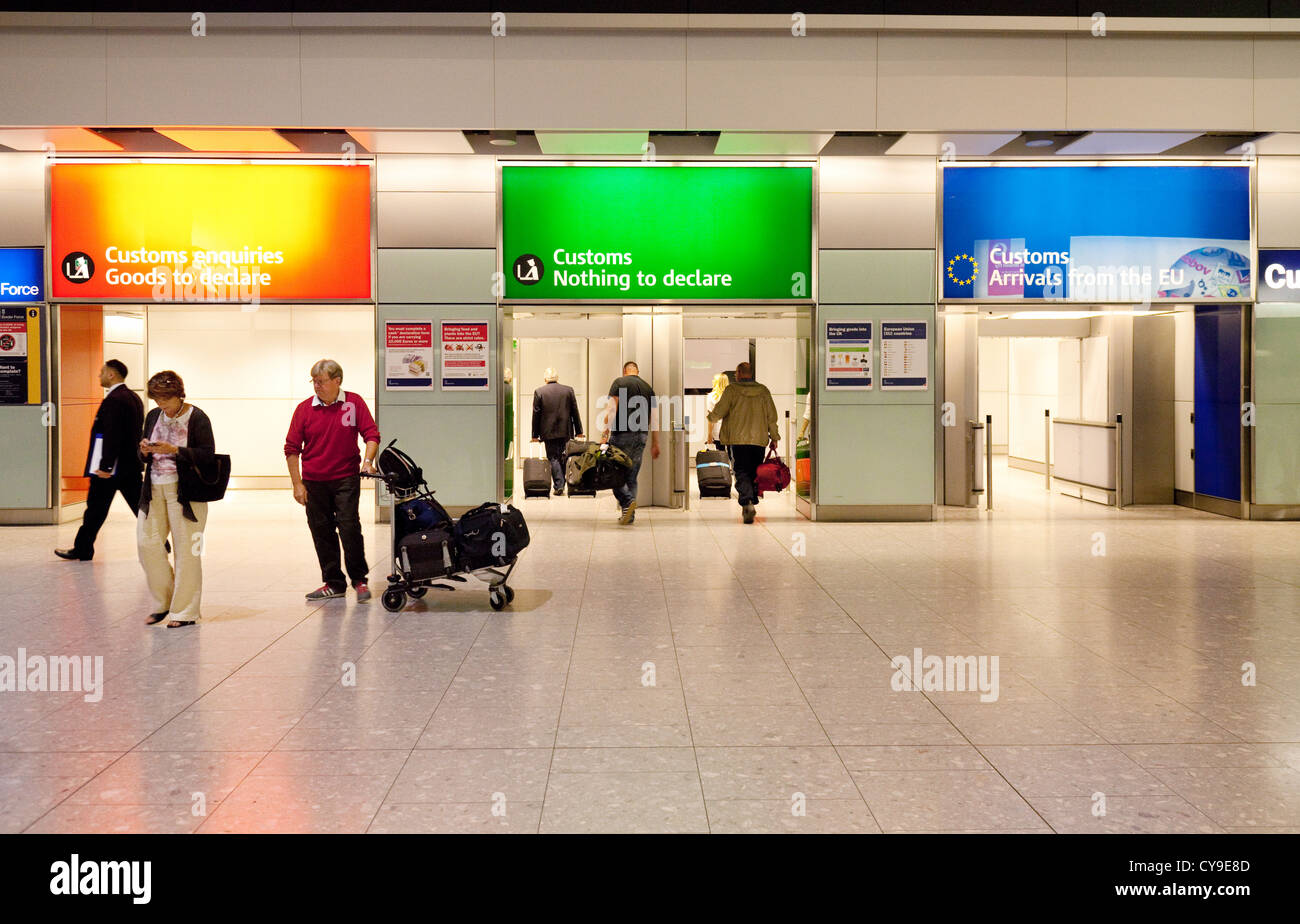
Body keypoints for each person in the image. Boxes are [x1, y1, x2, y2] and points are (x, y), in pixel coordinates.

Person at [285, 360, 381, 603]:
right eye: (314, 382)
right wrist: (297, 484)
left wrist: (368, 461)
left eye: (321, 381)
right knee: (322, 531)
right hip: (314, 482)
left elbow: (371, 434)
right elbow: (292, 449)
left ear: (337, 380)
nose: (316, 386)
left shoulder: (354, 402)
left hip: (345, 478)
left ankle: (359, 580)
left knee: (349, 528)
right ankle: (333, 582)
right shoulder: (304, 409)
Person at [137, 370, 215, 627]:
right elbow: (142, 457)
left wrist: (176, 451)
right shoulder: (153, 416)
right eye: (157, 400)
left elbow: (207, 455)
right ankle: (164, 602)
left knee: (188, 553)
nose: (162, 406)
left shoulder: (198, 417)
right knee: (147, 545)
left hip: (187, 495)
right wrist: (145, 451)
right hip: (154, 491)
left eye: (166, 400)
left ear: (179, 395)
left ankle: (184, 611)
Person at [56, 360, 145, 561]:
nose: (99, 376)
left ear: (112, 374)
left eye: (102, 372)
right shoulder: (133, 397)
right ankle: (160, 545)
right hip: (130, 466)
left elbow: (113, 434)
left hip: (111, 469)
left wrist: (105, 465)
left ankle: (83, 549)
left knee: (95, 509)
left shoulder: (115, 399)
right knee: (141, 509)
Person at [707, 361, 779, 524]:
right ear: (751, 373)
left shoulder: (732, 390)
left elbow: (719, 411)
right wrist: (774, 437)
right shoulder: (763, 391)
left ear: (739, 373)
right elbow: (772, 417)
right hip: (759, 440)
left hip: (738, 440)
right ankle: (752, 500)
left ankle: (746, 501)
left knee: (740, 470)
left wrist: (710, 418)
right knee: (755, 471)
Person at [600, 360, 659, 525]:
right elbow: (654, 418)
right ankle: (629, 515)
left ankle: (626, 502)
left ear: (625, 371)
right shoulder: (648, 388)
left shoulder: (619, 382)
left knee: (613, 473)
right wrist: (656, 443)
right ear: (637, 371)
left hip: (621, 434)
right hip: (641, 436)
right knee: (631, 476)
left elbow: (612, 409)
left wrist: (605, 432)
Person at [531, 367, 585, 496]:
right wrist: (579, 431)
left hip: (548, 431)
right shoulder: (568, 390)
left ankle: (559, 485)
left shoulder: (539, 392)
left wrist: (534, 435)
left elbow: (536, 414)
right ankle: (562, 483)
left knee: (553, 457)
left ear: (545, 379)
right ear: (557, 378)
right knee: (564, 456)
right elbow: (574, 412)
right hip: (565, 430)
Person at [704, 372, 729, 449]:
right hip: (731, 431)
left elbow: (711, 419)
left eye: (714, 380)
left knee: (719, 457)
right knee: (733, 457)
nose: (712, 381)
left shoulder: (711, 397)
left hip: (718, 431)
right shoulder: (732, 396)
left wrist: (709, 435)